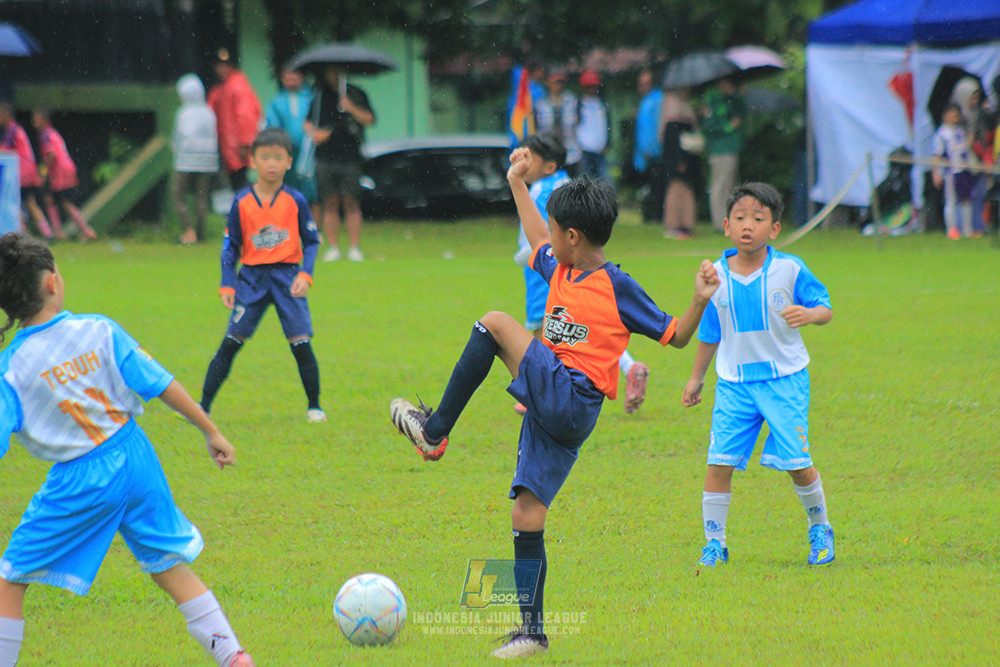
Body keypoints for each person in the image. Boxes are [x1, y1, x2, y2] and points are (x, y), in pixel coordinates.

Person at [390, 149, 719, 658]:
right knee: (527, 515)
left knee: (496, 322)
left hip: (571, 395)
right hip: (560, 409)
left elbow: (674, 336)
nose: (545, 234)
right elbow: (536, 235)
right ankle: (532, 634)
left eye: (554, 224)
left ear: (574, 237)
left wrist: (699, 298)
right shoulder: (561, 265)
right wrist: (517, 184)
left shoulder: (617, 286)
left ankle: (434, 430)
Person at [0, 232, 255, 667]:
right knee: (167, 566)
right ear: (52, 284)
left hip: (80, 478)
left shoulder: (11, 369)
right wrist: (210, 430)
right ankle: (234, 657)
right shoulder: (99, 328)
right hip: (135, 456)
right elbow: (161, 384)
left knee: (8, 581)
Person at [681, 182, 835, 570]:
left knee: (798, 464)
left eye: (758, 218)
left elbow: (825, 307)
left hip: (784, 380)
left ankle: (820, 529)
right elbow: (710, 332)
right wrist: (697, 377)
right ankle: (715, 543)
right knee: (719, 463)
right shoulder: (714, 276)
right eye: (740, 217)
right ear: (726, 225)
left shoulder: (790, 269)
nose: (748, 225)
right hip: (733, 384)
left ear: (775, 228)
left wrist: (810, 314)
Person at [513, 132, 652, 415]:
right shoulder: (570, 185)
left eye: (530, 157)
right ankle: (629, 366)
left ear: (549, 165)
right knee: (588, 329)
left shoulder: (539, 190)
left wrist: (524, 256)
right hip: (583, 269)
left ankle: (537, 397)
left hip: (548, 270)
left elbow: (535, 240)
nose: (523, 161)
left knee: (548, 331)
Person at [199, 128, 325, 423]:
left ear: (289, 162)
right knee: (230, 343)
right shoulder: (241, 202)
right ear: (253, 161)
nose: (271, 163)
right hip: (252, 280)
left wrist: (306, 275)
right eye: (265, 157)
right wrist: (227, 284)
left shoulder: (296, 200)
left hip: (288, 278)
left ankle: (315, 406)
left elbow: (312, 242)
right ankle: (202, 405)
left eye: (278, 157)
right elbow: (230, 247)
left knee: (301, 344)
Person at [304, 65, 375, 263]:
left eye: (338, 71)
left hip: (351, 158)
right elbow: (308, 121)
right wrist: (314, 134)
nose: (334, 75)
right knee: (329, 202)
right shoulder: (318, 95)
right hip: (325, 157)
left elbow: (370, 119)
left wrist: (351, 108)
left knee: (351, 201)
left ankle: (354, 248)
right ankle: (333, 247)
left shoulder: (356, 93)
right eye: (330, 71)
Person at [31, 109, 99, 242]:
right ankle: (59, 232)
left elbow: (51, 154)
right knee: (51, 199)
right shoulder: (52, 133)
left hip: (59, 171)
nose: (34, 122)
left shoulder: (45, 134)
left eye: (36, 119)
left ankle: (84, 231)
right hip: (66, 168)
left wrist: (44, 172)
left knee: (64, 201)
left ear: (45, 120)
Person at [171, 74, 219, 245]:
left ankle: (188, 230)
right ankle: (201, 233)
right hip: (208, 161)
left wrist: (176, 150)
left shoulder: (184, 113)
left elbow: (180, 136)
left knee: (178, 194)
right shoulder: (208, 111)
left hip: (185, 160)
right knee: (202, 197)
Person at [207, 48, 262, 193]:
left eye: (224, 65)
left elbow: (246, 116)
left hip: (236, 147)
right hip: (229, 146)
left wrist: (245, 143)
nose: (221, 69)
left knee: (240, 184)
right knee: (237, 183)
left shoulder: (237, 86)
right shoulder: (224, 87)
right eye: (219, 66)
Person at [0, 103, 55, 240]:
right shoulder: (14, 129)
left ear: (6, 114)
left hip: (22, 173)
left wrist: (43, 172)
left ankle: (27, 234)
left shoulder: (13, 130)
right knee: (28, 203)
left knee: (20, 203)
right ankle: (45, 233)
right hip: (27, 172)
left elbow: (5, 151)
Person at [265, 66, 317, 207]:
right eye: (288, 78)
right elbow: (272, 124)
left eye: (295, 77)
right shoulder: (277, 101)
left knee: (309, 184)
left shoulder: (310, 97)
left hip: (308, 148)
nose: (292, 81)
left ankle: (310, 221)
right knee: (288, 184)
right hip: (286, 149)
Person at [700, 78, 745, 231]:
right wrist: (728, 126)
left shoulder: (731, 100)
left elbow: (740, 114)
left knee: (729, 186)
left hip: (731, 148)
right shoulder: (711, 99)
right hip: (719, 150)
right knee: (719, 185)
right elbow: (710, 125)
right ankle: (719, 222)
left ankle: (729, 220)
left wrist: (739, 96)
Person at [659, 87, 702, 239]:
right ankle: (674, 224)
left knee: (686, 190)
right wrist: (679, 160)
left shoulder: (686, 106)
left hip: (688, 157)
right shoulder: (671, 106)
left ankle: (686, 224)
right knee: (676, 189)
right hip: (677, 158)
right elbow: (670, 139)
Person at [932, 103, 975, 239]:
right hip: (951, 171)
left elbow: (965, 149)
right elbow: (937, 155)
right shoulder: (942, 134)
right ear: (945, 115)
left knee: (966, 199)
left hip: (964, 169)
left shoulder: (960, 131)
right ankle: (952, 229)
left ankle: (968, 229)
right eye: (952, 113)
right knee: (951, 200)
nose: (955, 116)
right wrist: (936, 173)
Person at [632, 69, 665, 223]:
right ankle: (648, 215)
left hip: (653, 153)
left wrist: (651, 149)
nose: (641, 87)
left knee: (655, 186)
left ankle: (654, 216)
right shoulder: (645, 101)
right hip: (643, 153)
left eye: (645, 84)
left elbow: (656, 127)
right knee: (648, 186)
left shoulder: (657, 100)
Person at [534, 69, 581, 175]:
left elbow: (578, 123)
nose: (558, 85)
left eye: (560, 82)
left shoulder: (573, 101)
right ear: (548, 82)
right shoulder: (540, 104)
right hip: (549, 152)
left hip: (571, 152)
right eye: (555, 82)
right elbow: (537, 128)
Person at [575, 70, 612, 183]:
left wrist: (608, 142)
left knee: (605, 181)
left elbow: (607, 125)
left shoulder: (603, 104)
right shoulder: (578, 104)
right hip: (584, 151)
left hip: (600, 150)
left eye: (594, 86)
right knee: (584, 182)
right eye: (589, 87)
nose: (592, 89)